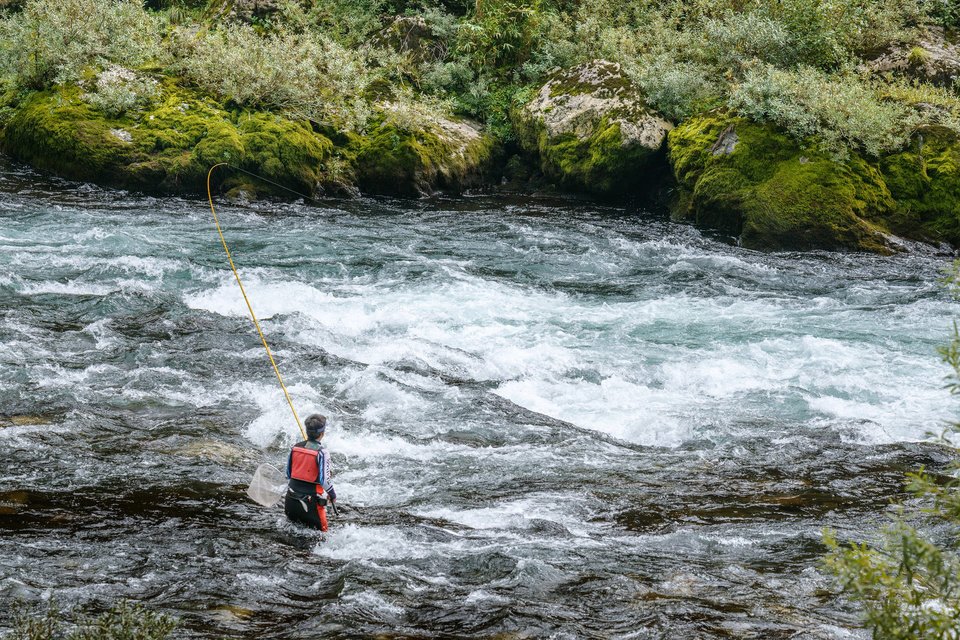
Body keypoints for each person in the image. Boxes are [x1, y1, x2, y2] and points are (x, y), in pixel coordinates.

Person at [284, 413, 337, 531]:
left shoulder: (295, 448)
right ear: (322, 434)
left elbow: (288, 474)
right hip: (311, 505)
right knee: (322, 536)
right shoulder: (322, 453)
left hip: (291, 502)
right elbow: (324, 481)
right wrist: (332, 495)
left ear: (307, 431)